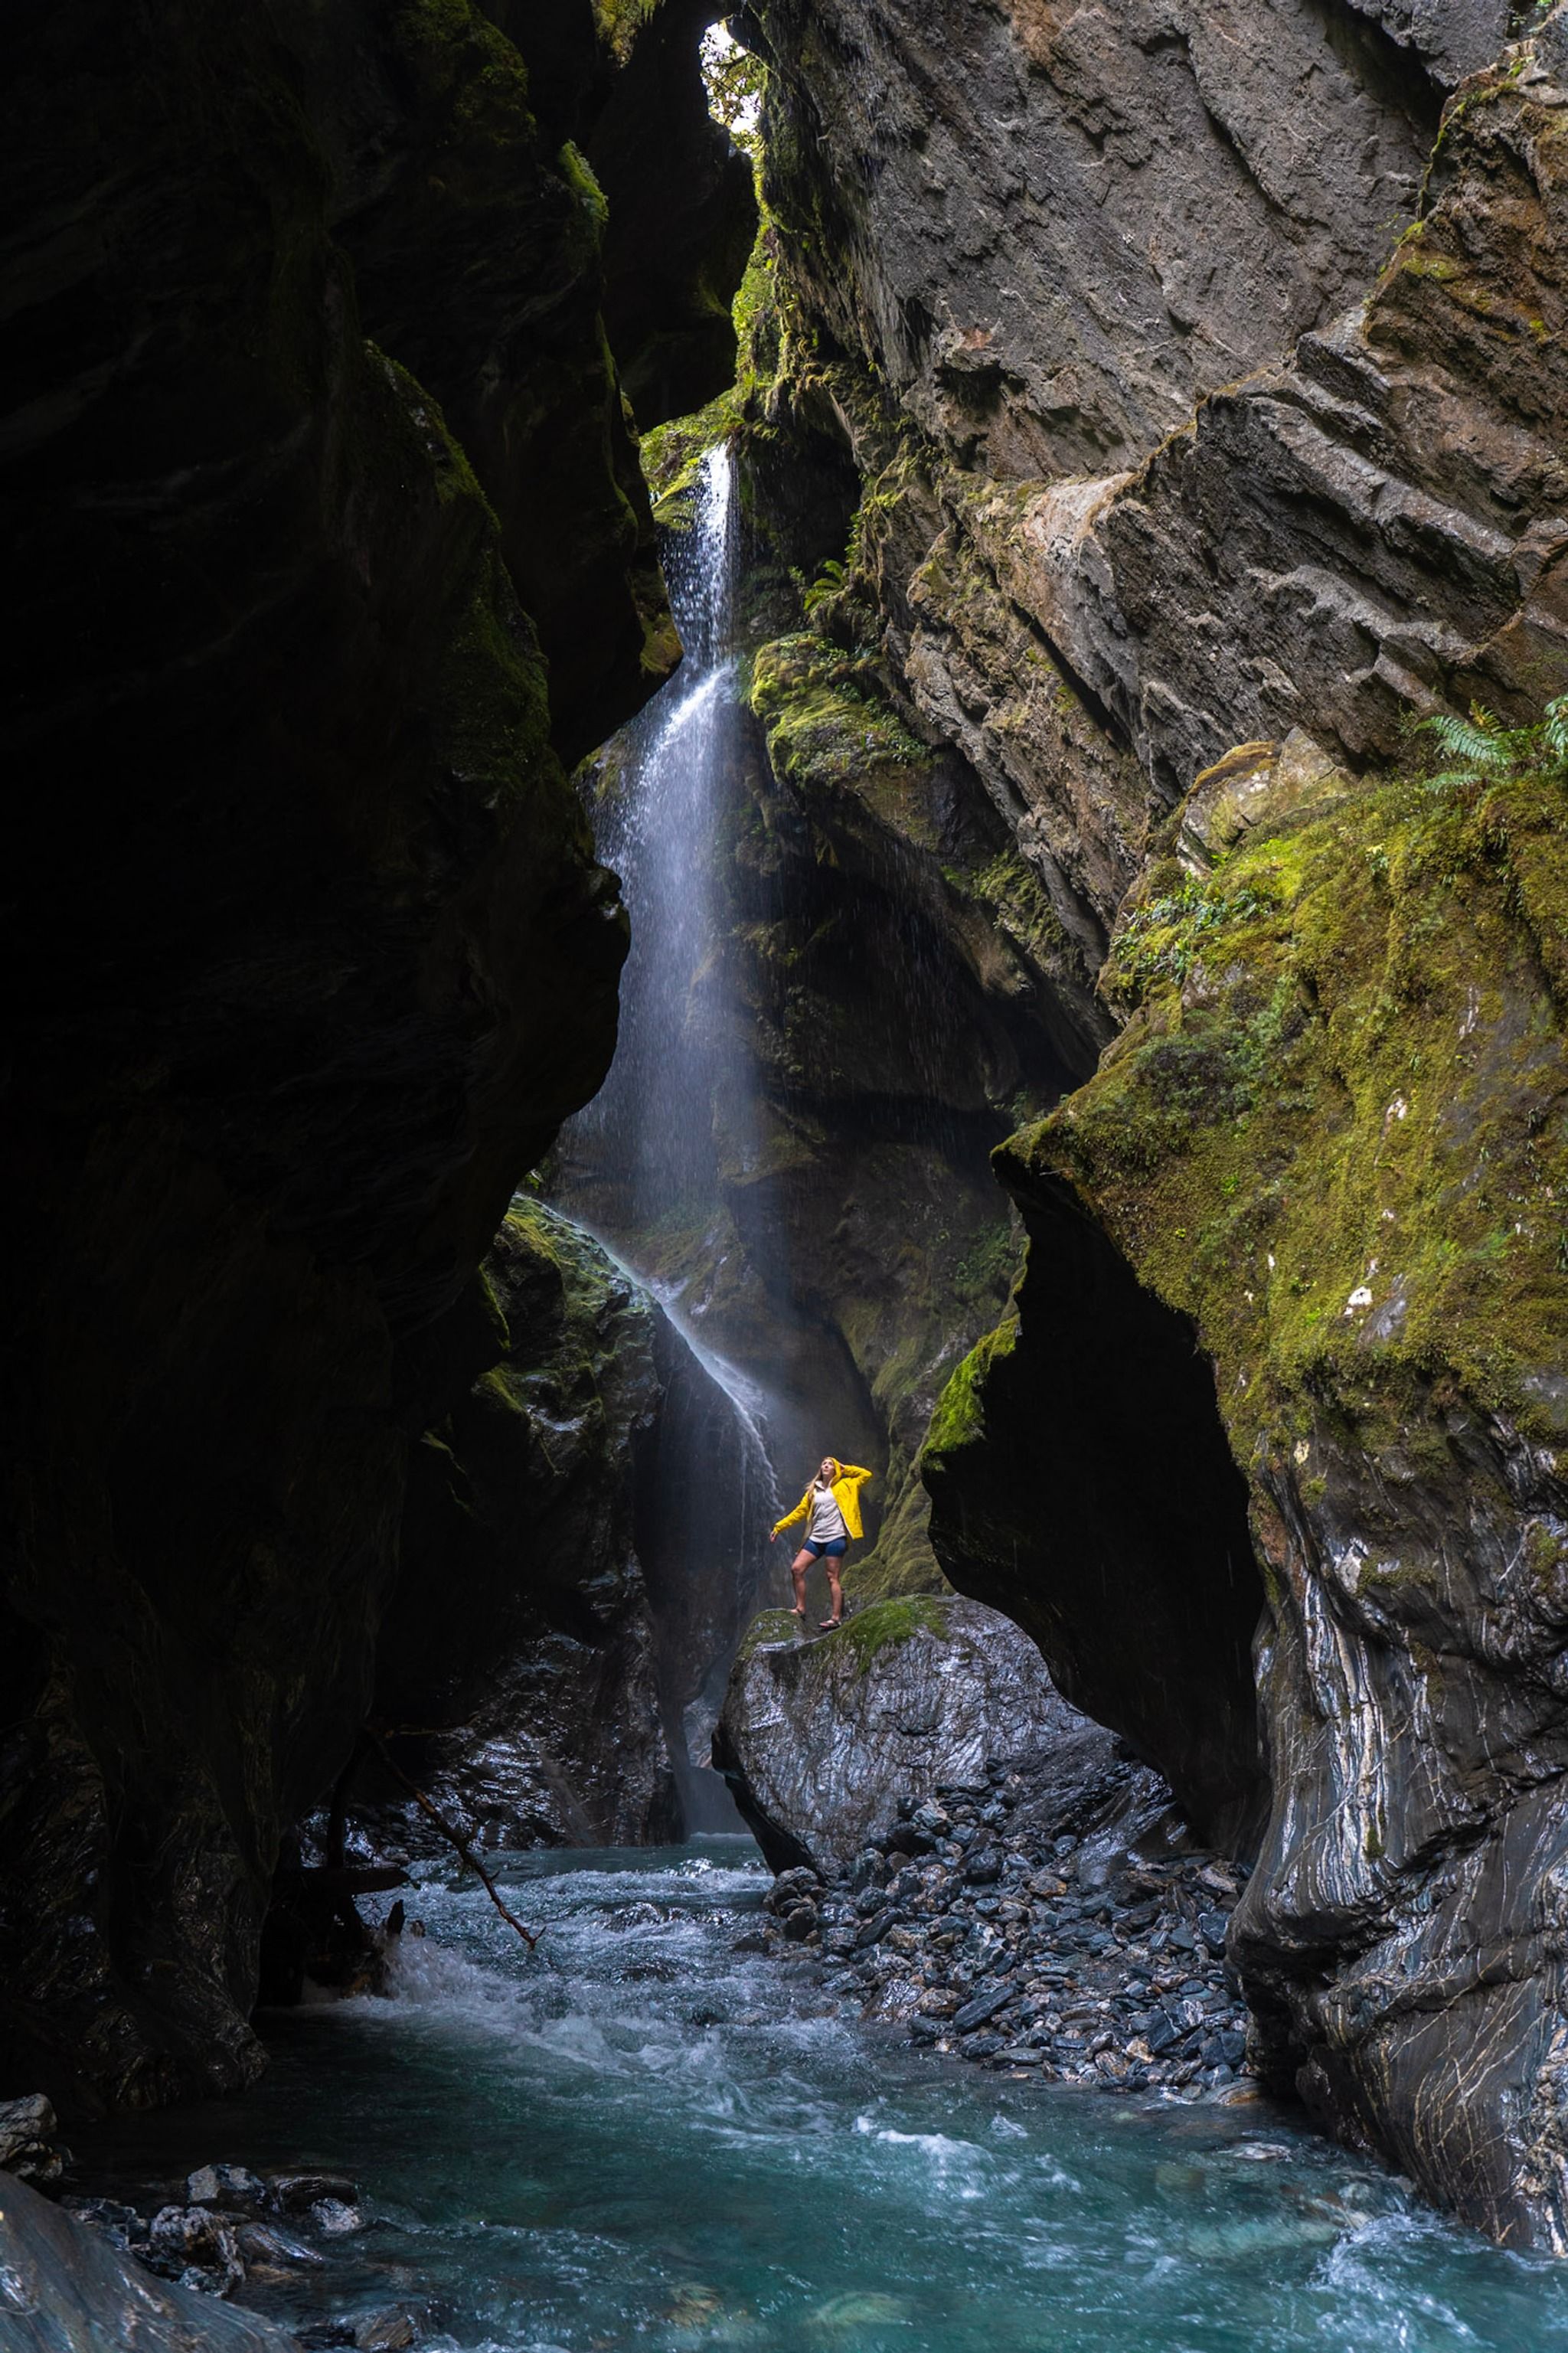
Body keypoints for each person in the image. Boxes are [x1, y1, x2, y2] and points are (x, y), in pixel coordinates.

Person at [771, 1456, 873, 1630]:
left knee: (832, 1577)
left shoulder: (846, 1485)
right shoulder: (813, 1491)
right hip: (816, 1538)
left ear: (835, 1469)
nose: (826, 1465)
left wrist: (844, 1467)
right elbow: (799, 1512)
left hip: (835, 1537)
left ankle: (835, 1618)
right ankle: (801, 1608)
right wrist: (779, 1526)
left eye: (830, 1463)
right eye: (824, 1463)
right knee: (797, 1569)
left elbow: (866, 1475)